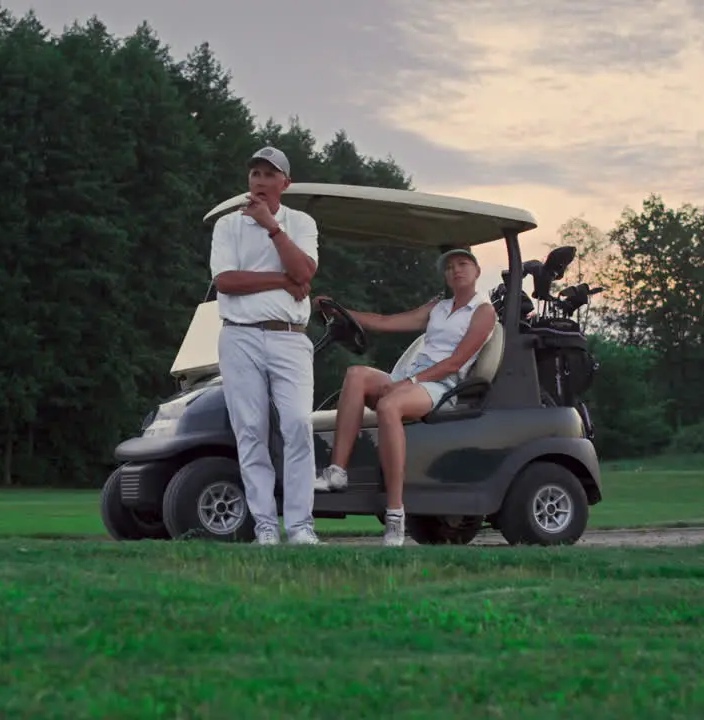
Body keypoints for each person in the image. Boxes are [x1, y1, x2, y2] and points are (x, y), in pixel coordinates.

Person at [312, 249, 497, 546]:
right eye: (450, 267)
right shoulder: (438, 307)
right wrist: (339, 310)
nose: (456, 270)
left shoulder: (483, 311)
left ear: (476, 271)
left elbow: (455, 363)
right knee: (356, 374)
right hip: (413, 379)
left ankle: (395, 513)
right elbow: (386, 321)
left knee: (388, 405)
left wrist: (409, 382)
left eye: (463, 264)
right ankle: (337, 472)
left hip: (442, 386)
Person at [209, 146, 322, 546]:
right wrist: (282, 281)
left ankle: (301, 527)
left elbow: (305, 270)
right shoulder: (226, 225)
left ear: (284, 184)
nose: (259, 180)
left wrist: (272, 227)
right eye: (254, 172)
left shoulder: (300, 222)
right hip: (239, 334)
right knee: (251, 431)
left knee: (296, 424)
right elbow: (226, 281)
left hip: (288, 337)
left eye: (268, 174)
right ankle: (266, 528)